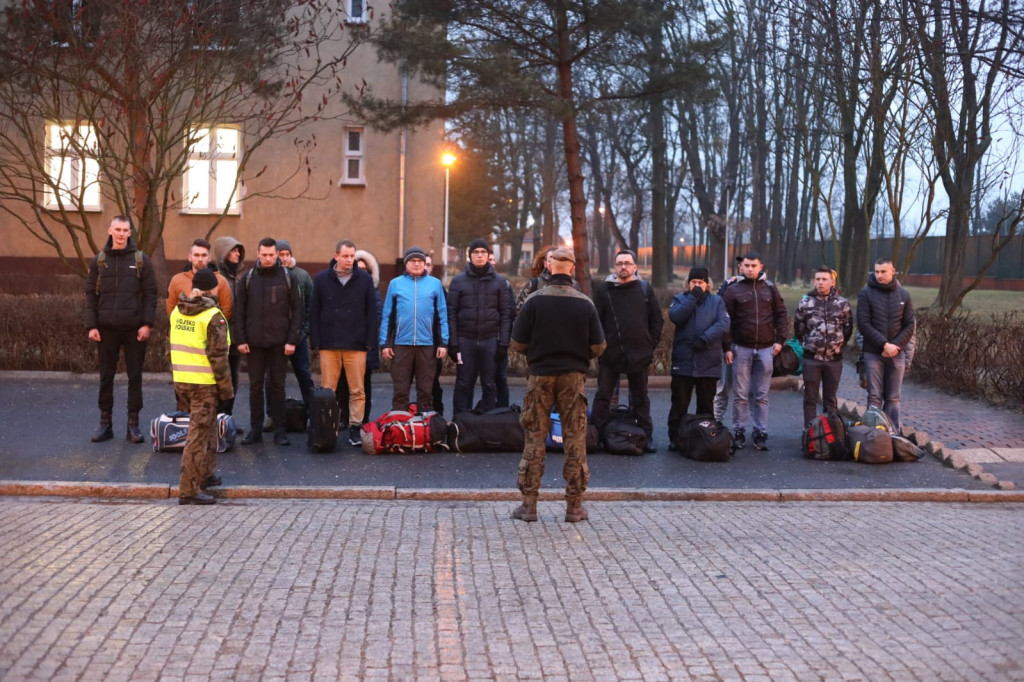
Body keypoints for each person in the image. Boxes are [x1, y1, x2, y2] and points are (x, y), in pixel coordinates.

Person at [509, 246, 605, 523]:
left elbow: (517, 343)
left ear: (549, 267)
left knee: (534, 439)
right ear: (572, 269)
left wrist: (538, 351)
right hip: (573, 378)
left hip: (540, 376)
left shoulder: (534, 301)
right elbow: (598, 346)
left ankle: (529, 506)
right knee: (575, 440)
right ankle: (574, 507)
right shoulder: (584, 303)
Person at [85, 215, 158, 443]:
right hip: (106, 329)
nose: (121, 234)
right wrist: (92, 325)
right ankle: (105, 424)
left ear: (129, 233)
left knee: (135, 377)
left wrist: (146, 324)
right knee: (106, 377)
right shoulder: (99, 261)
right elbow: (90, 295)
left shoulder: (141, 260)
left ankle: (133, 426)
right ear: (110, 230)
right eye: (117, 229)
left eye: (125, 230)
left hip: (134, 330)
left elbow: (151, 294)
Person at [169, 268, 233, 505]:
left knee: (207, 429)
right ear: (212, 288)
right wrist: (226, 391)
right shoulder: (212, 315)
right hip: (204, 384)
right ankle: (188, 489)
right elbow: (219, 358)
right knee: (197, 435)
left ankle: (205, 474)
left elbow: (169, 348)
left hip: (183, 380)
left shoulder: (178, 311)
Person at [590, 249, 663, 451]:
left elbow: (657, 319)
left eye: (627, 263)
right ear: (615, 266)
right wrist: (601, 347)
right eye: (620, 263)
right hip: (610, 354)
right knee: (603, 397)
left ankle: (645, 437)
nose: (623, 266)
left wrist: (650, 344)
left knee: (640, 399)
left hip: (639, 354)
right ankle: (596, 437)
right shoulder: (603, 291)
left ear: (635, 266)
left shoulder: (644, 289)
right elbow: (595, 322)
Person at [232, 237, 303, 446]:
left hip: (280, 343)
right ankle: (255, 430)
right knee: (255, 387)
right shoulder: (248, 278)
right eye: (264, 255)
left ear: (277, 254)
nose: (268, 258)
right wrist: (240, 339)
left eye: (272, 255)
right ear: (258, 254)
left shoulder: (288, 277)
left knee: (278, 386)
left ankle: (280, 431)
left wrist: (292, 340)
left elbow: (297, 311)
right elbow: (239, 311)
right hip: (254, 343)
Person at [310, 239, 378, 446]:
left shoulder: (364, 279)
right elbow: (314, 311)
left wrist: (370, 341)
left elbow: (371, 312)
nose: (349, 260)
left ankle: (355, 427)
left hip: (356, 344)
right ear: (336, 256)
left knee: (357, 390)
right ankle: (327, 428)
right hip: (329, 343)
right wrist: (316, 340)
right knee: (328, 390)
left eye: (352, 256)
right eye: (345, 256)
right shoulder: (322, 279)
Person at [720, 250, 788, 450]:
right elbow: (724, 320)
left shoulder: (770, 288)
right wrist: (727, 347)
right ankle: (739, 430)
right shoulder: (732, 290)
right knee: (740, 394)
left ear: (760, 267)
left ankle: (760, 432)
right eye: (747, 266)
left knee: (761, 395)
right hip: (741, 348)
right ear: (741, 267)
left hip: (766, 349)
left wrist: (780, 341)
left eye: (753, 266)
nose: (750, 269)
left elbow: (781, 314)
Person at [447, 238, 514, 414]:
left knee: (489, 384)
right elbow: (451, 314)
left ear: (488, 255)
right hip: (465, 340)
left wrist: (503, 343)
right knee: (463, 383)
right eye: (475, 252)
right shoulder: (458, 281)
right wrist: (453, 344)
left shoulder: (500, 282)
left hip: (490, 340)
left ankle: (488, 422)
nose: (479, 255)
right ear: (470, 256)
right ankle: (460, 422)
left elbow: (506, 314)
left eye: (483, 252)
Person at [380, 246, 449, 412]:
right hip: (401, 345)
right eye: (413, 261)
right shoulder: (395, 284)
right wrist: (385, 343)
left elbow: (442, 315)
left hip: (427, 345)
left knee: (426, 390)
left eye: (420, 261)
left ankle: (424, 423)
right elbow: (388, 315)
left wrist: (443, 343)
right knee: (400, 390)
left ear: (425, 264)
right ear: (406, 263)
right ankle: (400, 421)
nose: (417, 264)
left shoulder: (435, 284)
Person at [667, 266, 730, 444]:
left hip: (708, 361)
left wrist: (705, 339)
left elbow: (723, 323)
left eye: (700, 282)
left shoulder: (717, 301)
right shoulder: (679, 299)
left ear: (707, 284)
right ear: (688, 283)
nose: (697, 285)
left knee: (706, 405)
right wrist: (693, 298)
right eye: (693, 282)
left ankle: (705, 439)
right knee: (679, 404)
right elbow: (676, 317)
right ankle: (676, 439)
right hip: (683, 362)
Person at [857, 257, 915, 429]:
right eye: (876, 271)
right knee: (874, 396)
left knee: (893, 398)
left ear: (892, 271)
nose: (879, 275)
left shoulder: (904, 295)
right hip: (873, 353)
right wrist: (884, 345)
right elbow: (863, 324)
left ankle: (892, 433)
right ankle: (872, 434)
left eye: (883, 271)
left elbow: (910, 325)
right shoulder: (866, 294)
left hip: (897, 353)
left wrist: (895, 346)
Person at [794, 266, 853, 425]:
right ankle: (810, 432)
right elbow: (799, 328)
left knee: (830, 399)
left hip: (834, 359)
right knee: (810, 398)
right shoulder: (806, 302)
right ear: (814, 281)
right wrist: (809, 344)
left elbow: (848, 328)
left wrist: (838, 346)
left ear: (832, 282)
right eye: (818, 279)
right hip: (812, 359)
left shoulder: (842, 304)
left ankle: (830, 432)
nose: (821, 282)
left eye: (824, 279)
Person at [335, 250, 384, 426]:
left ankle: (362, 420)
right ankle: (343, 417)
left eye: (365, 269)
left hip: (364, 345)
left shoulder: (374, 292)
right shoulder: (342, 289)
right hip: (343, 344)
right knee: (342, 383)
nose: (361, 272)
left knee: (363, 386)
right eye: (358, 268)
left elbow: (377, 317)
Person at [271, 240, 315, 419]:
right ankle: (273, 415)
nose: (284, 258)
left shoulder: (302, 276)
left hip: (298, 337)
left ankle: (313, 413)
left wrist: (304, 331)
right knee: (274, 379)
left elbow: (310, 306)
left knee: (304, 374)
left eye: (287, 254)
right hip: (275, 338)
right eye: (280, 254)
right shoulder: (269, 276)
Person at [211, 236, 246, 415]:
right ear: (223, 253)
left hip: (236, 336)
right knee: (218, 378)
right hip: (218, 337)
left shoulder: (240, 276)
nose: (237, 254)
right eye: (233, 250)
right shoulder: (215, 278)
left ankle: (227, 417)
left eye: (238, 251)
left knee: (233, 377)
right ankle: (216, 417)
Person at [166, 238, 233, 322]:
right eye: (196, 255)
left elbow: (226, 310)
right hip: (184, 328)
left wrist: (212, 325)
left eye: (204, 255)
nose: (200, 259)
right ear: (190, 257)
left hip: (211, 329)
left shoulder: (221, 281)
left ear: (209, 258)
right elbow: (171, 308)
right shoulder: (177, 280)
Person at [490, 251, 514, 407]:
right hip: (480, 340)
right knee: (486, 381)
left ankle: (503, 412)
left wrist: (505, 340)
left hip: (499, 340)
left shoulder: (505, 284)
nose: (492, 262)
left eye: (493, 259)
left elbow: (510, 313)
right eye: (489, 259)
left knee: (501, 378)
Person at [424, 254, 447, 413]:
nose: (425, 267)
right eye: (423, 263)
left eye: (428, 264)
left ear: (432, 268)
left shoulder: (438, 288)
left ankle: (436, 416)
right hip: (409, 344)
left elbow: (443, 317)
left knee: (432, 384)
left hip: (433, 344)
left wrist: (442, 342)